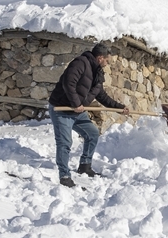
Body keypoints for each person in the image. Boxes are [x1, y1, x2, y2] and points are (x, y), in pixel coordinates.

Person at [48, 43, 129, 186]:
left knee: (92, 133)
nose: (107, 63)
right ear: (99, 58)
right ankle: (64, 176)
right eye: (107, 60)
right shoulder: (81, 63)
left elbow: (101, 95)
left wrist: (119, 108)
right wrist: (76, 103)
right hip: (62, 110)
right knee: (65, 143)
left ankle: (85, 165)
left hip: (77, 111)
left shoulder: (97, 72)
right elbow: (68, 83)